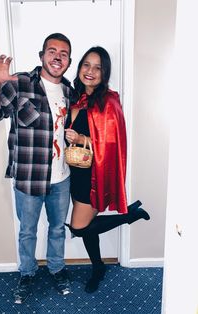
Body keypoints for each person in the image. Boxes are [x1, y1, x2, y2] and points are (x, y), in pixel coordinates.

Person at [0, 33, 74, 304]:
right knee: (28, 231)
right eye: (52, 51)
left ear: (68, 61)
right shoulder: (20, 82)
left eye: (64, 53)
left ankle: (57, 269)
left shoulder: (69, 90)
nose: (58, 56)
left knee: (57, 228)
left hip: (62, 178)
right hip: (28, 178)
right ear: (41, 55)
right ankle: (27, 273)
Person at [65, 46, 150, 293]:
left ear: (105, 73)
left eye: (98, 67)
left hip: (94, 175)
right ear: (79, 67)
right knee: (88, 226)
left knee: (79, 228)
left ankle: (129, 216)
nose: (90, 71)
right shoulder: (74, 96)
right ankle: (98, 267)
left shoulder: (108, 101)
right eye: (86, 65)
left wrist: (81, 139)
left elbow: (112, 143)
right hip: (75, 172)